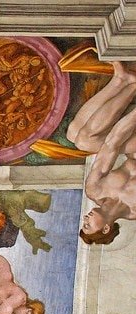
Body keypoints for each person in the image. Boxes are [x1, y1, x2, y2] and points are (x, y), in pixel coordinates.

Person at [66, 61, 136, 245]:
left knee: (75, 134)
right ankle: (126, 81)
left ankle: (122, 81)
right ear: (106, 228)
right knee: (84, 140)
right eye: (88, 225)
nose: (85, 219)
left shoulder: (94, 190)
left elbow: (112, 144)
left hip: (132, 147)